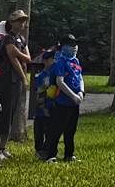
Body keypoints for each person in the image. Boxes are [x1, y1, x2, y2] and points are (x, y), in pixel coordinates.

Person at [35, 34, 87, 162]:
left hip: (74, 102)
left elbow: (79, 78)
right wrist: (72, 95)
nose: (74, 48)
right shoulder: (60, 63)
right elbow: (60, 81)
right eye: (70, 45)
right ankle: (50, 155)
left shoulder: (76, 62)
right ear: (63, 47)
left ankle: (69, 154)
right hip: (62, 102)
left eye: (75, 45)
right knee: (56, 129)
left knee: (71, 130)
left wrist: (81, 92)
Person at [0, 10, 32, 158]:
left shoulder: (21, 39)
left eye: (23, 20)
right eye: (19, 21)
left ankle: (3, 147)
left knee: (11, 114)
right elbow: (13, 58)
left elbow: (28, 58)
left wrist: (18, 52)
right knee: (3, 113)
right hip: (6, 79)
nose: (22, 23)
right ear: (12, 23)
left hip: (16, 81)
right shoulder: (8, 39)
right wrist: (24, 77)